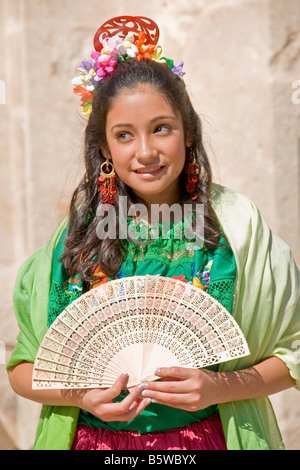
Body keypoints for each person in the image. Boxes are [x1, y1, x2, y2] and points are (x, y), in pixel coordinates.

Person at [6, 16, 300, 451]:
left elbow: (293, 353)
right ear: (105, 148)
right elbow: (22, 370)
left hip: (204, 442)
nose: (145, 152)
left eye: (161, 128)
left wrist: (222, 388)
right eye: (124, 135)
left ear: (189, 132)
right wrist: (82, 396)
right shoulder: (79, 237)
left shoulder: (238, 228)